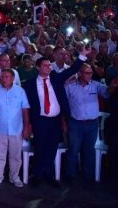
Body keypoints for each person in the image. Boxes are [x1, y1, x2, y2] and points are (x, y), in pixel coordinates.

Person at [23, 47, 89, 188]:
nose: (48, 67)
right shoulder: (29, 84)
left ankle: (49, 175)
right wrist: (27, 124)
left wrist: (82, 56)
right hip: (40, 121)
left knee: (52, 148)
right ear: (37, 67)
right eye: (45, 65)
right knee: (40, 148)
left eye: (49, 65)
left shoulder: (56, 79)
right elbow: (27, 106)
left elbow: (70, 71)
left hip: (55, 120)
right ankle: (37, 175)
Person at [64, 63, 114, 184]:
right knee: (73, 150)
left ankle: (88, 177)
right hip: (75, 123)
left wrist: (113, 85)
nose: (89, 75)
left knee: (89, 151)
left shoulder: (96, 85)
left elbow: (107, 93)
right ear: (80, 73)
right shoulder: (70, 86)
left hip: (92, 124)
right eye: (87, 73)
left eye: (91, 73)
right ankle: (71, 176)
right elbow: (62, 103)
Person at [0, 69, 30, 188]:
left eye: (6, 77)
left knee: (16, 155)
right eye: (2, 77)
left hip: (16, 128)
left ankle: (14, 177)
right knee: (0, 155)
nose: (3, 79)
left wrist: (26, 127)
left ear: (12, 78)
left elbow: (25, 109)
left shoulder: (20, 91)